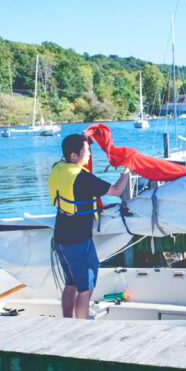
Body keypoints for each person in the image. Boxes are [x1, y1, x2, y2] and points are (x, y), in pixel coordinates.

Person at [48, 134, 131, 318]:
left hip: (60, 236)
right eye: (86, 151)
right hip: (78, 240)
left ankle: (67, 321)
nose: (89, 155)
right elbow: (117, 191)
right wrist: (127, 171)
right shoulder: (83, 178)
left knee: (70, 284)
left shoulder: (57, 168)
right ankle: (81, 326)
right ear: (74, 156)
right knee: (86, 289)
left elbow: (63, 158)